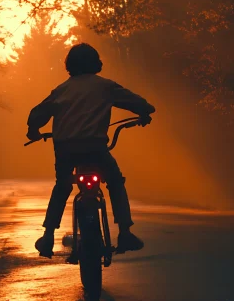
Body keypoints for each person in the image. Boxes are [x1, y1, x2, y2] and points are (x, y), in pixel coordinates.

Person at [27, 43, 155, 258]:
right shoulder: (105, 86)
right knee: (115, 181)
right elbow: (141, 104)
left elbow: (37, 114)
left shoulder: (62, 90)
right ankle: (125, 232)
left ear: (69, 65)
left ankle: (48, 236)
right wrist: (144, 113)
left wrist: (33, 130)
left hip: (65, 149)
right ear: (96, 63)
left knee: (63, 185)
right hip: (96, 148)